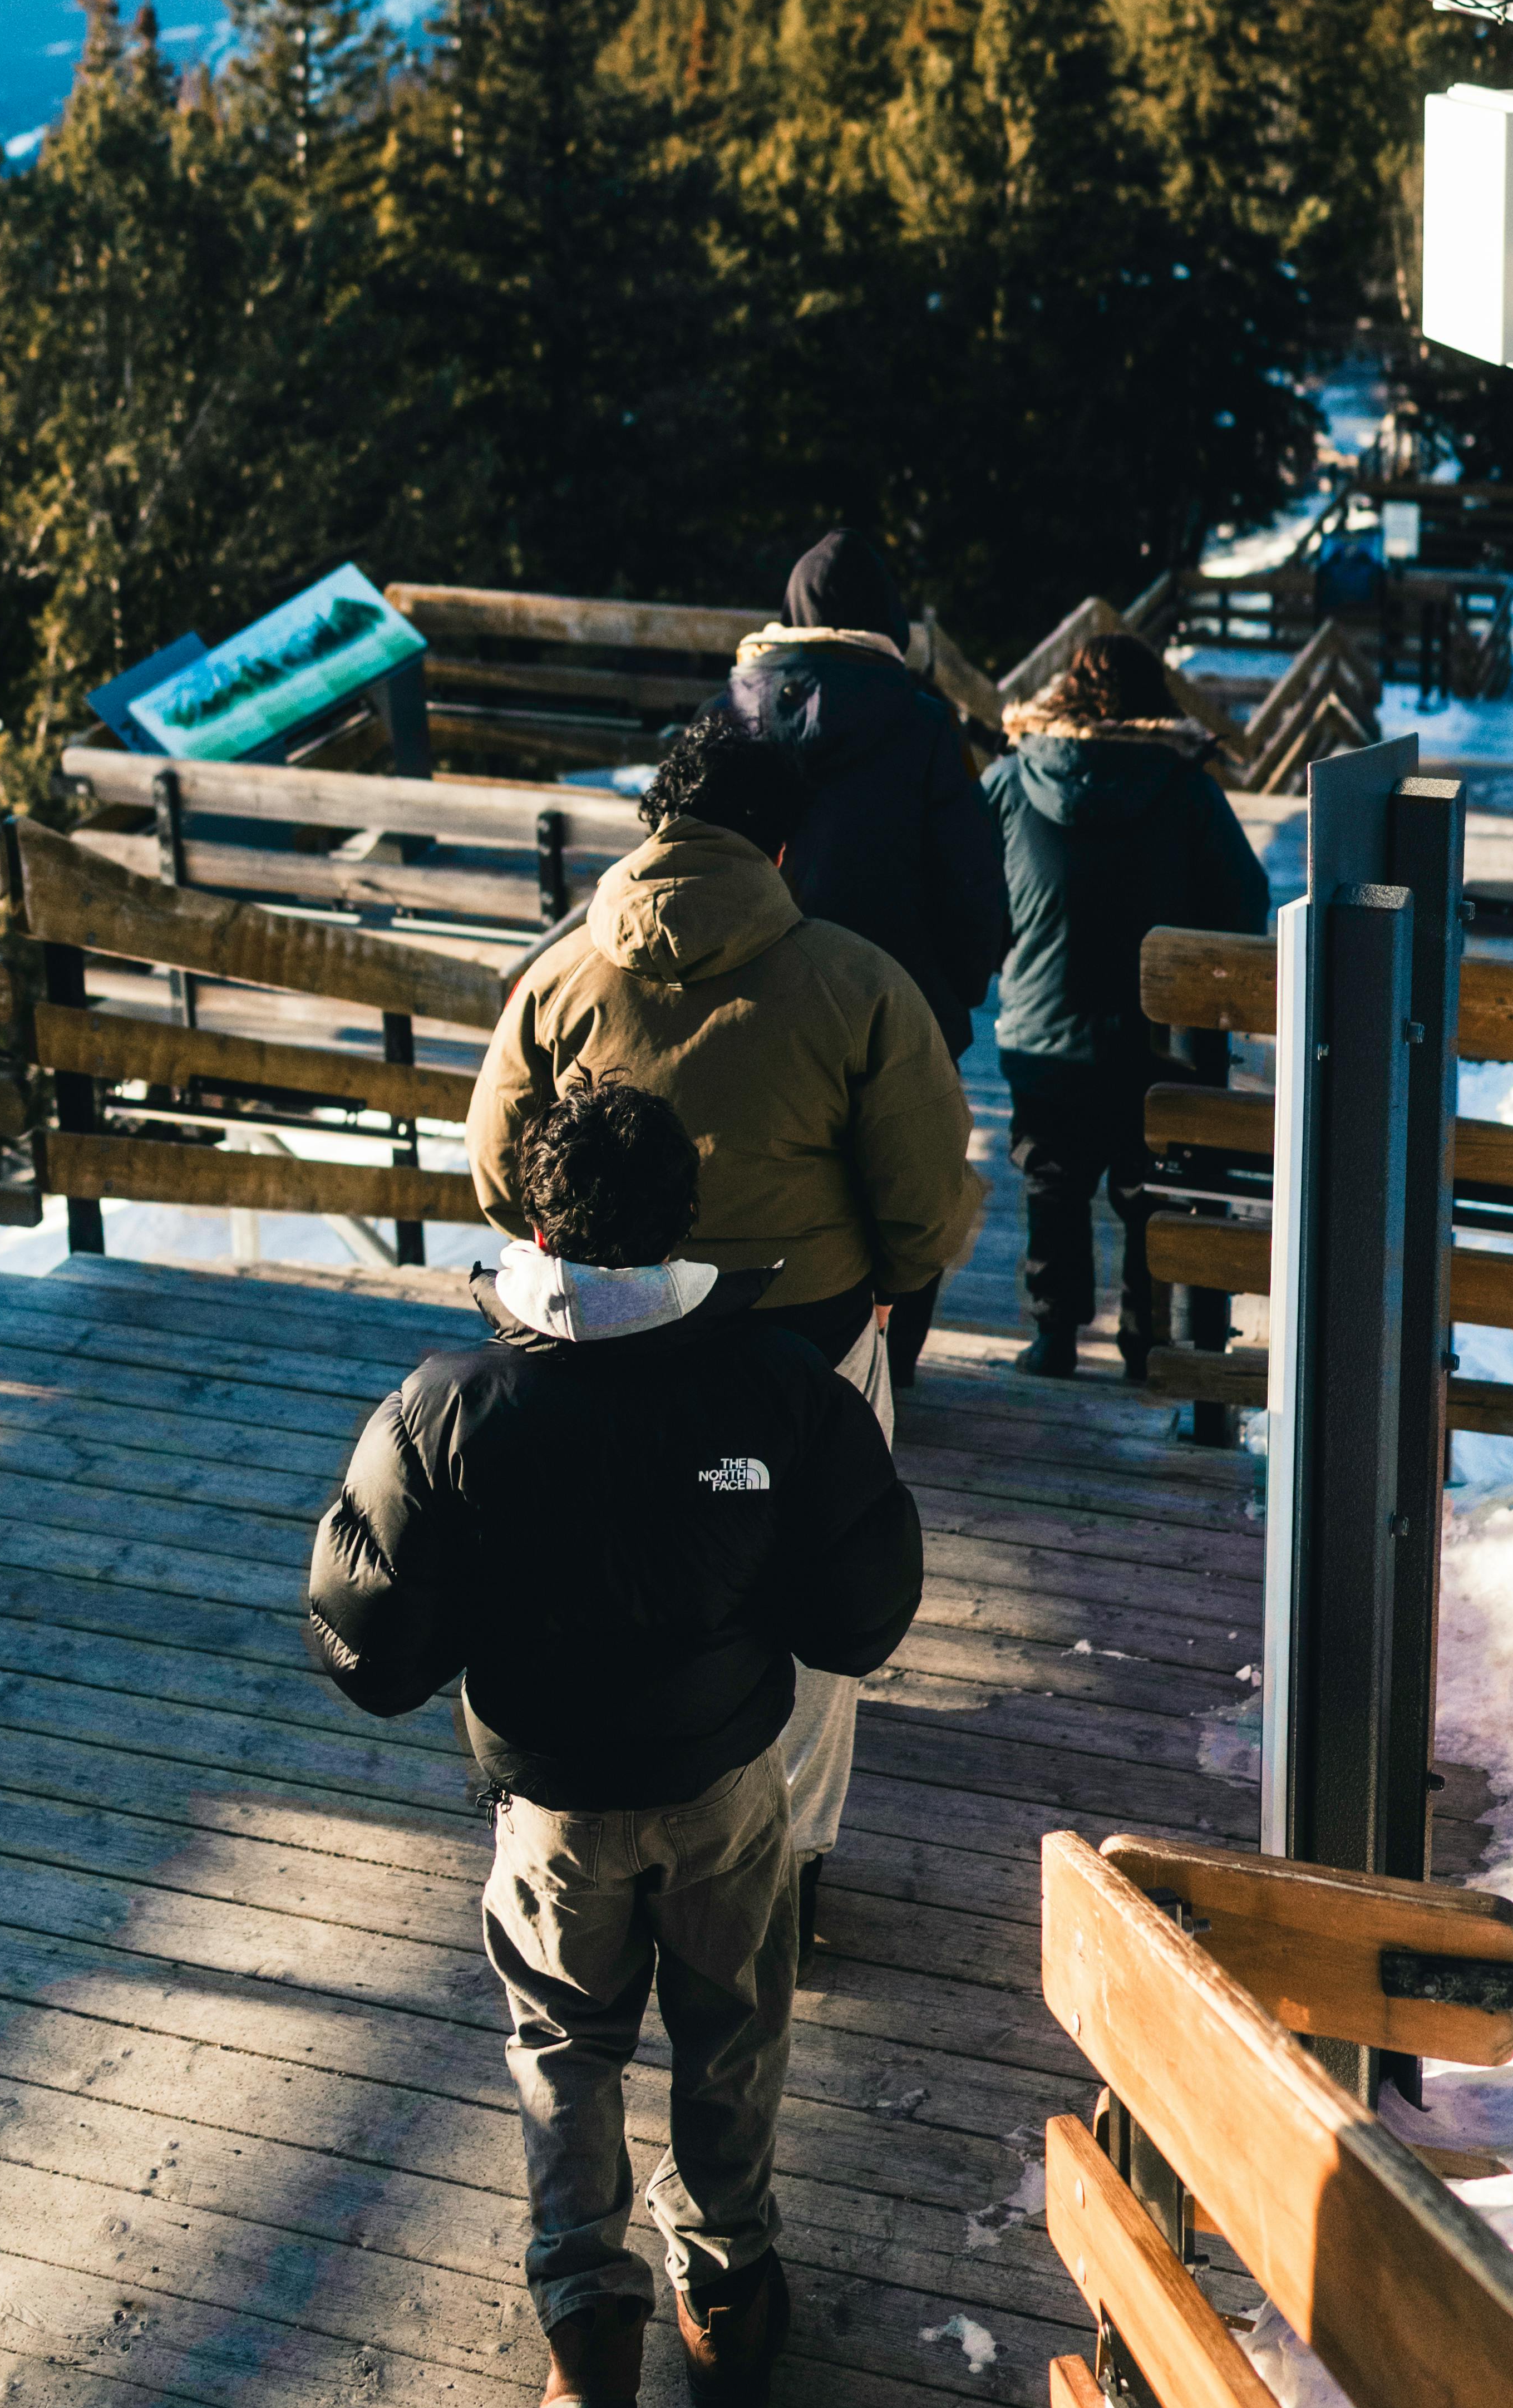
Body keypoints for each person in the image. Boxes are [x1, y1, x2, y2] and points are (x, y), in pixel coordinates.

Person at [305, 1075, 921, 2408]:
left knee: (562, 2053)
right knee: (731, 2039)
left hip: (550, 1814)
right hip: (724, 1786)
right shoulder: (780, 1387)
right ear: (681, 1221)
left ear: (533, 1218)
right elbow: (862, 1620)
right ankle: (725, 2306)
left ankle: (585, 2348)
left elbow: (367, 1648)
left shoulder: (444, 1406)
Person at [466, 711, 975, 1926]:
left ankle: (603, 1841)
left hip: (601, 1342)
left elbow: (496, 1175)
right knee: (812, 1592)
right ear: (783, 852)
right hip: (801, 1338)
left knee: (614, 1583)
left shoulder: (557, 972)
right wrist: (891, 1276)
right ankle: (784, 1873)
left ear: (652, 825)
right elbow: (920, 1211)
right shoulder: (857, 983)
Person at [725, 527, 1008, 1388]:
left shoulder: (730, 711)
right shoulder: (922, 725)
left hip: (751, 1002)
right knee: (904, 1186)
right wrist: (957, 988)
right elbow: (971, 883)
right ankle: (887, 1367)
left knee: (768, 1168)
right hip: (900, 1004)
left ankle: (760, 1355)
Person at [987, 626, 1269, 1380]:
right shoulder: (1184, 788)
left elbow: (972, 888)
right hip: (1158, 1036)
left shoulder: (1013, 781)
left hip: (1044, 1031)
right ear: (1156, 701)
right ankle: (1144, 1345)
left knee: (1052, 1177)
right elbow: (1245, 901)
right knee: (1148, 1188)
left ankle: (1052, 1338)